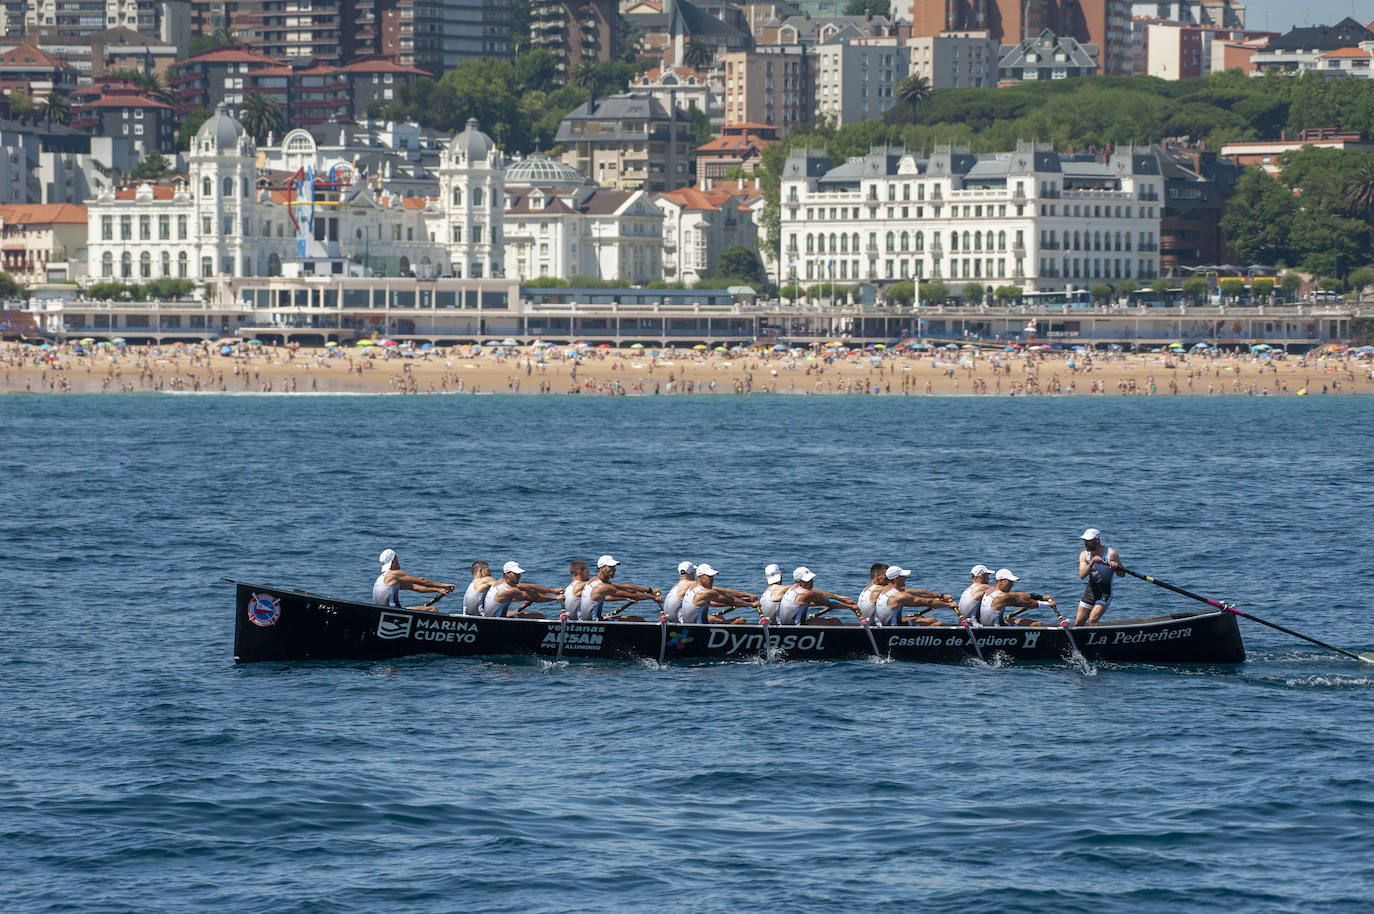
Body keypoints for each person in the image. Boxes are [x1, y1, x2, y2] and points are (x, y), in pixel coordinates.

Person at [579, 555, 660, 621]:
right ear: (602, 568)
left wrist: (650, 590)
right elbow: (632, 595)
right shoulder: (603, 586)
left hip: (590, 620)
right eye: (611, 567)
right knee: (639, 619)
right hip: (594, 623)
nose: (614, 570)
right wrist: (653, 598)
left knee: (630, 617)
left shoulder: (594, 580)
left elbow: (624, 587)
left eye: (614, 567)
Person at [372, 548, 454, 608]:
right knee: (433, 610)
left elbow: (415, 587)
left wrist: (437, 590)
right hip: (394, 612)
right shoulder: (394, 574)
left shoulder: (381, 578)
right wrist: (443, 585)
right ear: (394, 560)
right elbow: (421, 580)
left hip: (384, 611)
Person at [874, 565, 953, 626]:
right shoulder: (899, 596)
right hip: (893, 629)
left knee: (925, 619)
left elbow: (920, 593)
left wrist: (940, 596)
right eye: (903, 577)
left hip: (885, 625)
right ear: (896, 579)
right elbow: (927, 602)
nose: (905, 579)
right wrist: (949, 604)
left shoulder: (886, 590)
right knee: (938, 624)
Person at [1075, 527, 1124, 626]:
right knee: (1078, 623)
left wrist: (1116, 567)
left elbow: (1122, 575)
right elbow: (1082, 575)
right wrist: (1091, 563)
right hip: (1090, 592)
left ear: (1097, 540)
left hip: (1104, 593)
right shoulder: (1084, 555)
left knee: (1092, 620)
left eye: (1088, 541)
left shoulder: (1111, 554)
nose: (1086, 543)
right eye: (1085, 540)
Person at [776, 567, 857, 625]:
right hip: (797, 626)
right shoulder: (806, 593)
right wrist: (852, 607)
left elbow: (823, 594)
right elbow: (830, 604)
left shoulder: (792, 588)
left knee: (828, 619)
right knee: (835, 621)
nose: (811, 582)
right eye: (808, 580)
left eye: (811, 579)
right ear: (799, 581)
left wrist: (842, 599)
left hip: (787, 624)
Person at [680, 563, 757, 623]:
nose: (712, 579)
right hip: (699, 628)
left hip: (693, 625)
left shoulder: (693, 587)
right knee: (741, 621)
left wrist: (745, 597)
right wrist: (751, 604)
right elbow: (731, 600)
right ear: (700, 577)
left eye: (712, 576)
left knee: (720, 618)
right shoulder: (705, 592)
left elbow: (725, 592)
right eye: (709, 576)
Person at [485, 560, 562, 618]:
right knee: (539, 616)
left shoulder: (500, 582)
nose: (519, 576)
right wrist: (556, 598)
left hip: (496, 615)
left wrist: (553, 590)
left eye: (519, 573)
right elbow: (535, 598)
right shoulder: (508, 590)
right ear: (507, 574)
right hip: (497, 622)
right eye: (516, 573)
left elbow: (529, 587)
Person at [978, 569, 1052, 627]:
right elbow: (1029, 604)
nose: (1012, 585)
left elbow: (1018, 594)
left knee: (1027, 620)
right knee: (1038, 624)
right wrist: (1048, 604)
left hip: (991, 625)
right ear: (1001, 581)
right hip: (999, 630)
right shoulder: (1002, 597)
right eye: (1010, 582)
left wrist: (1041, 597)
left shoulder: (990, 591)